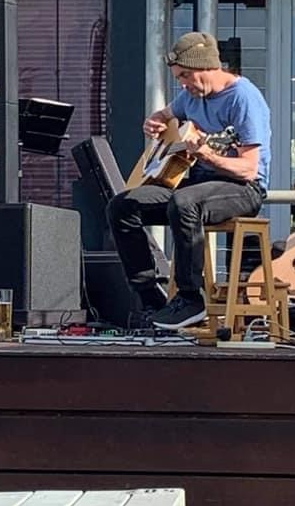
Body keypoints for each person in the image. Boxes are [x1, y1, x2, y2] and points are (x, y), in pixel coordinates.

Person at [107, 31, 271, 329]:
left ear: (207, 66)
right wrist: (155, 122)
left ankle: (190, 298)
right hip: (197, 184)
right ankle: (150, 298)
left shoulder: (243, 98)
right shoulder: (190, 96)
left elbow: (249, 169)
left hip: (243, 189)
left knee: (184, 203)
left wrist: (207, 155)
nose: (182, 84)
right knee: (122, 206)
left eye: (186, 75)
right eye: (178, 77)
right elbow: (165, 115)